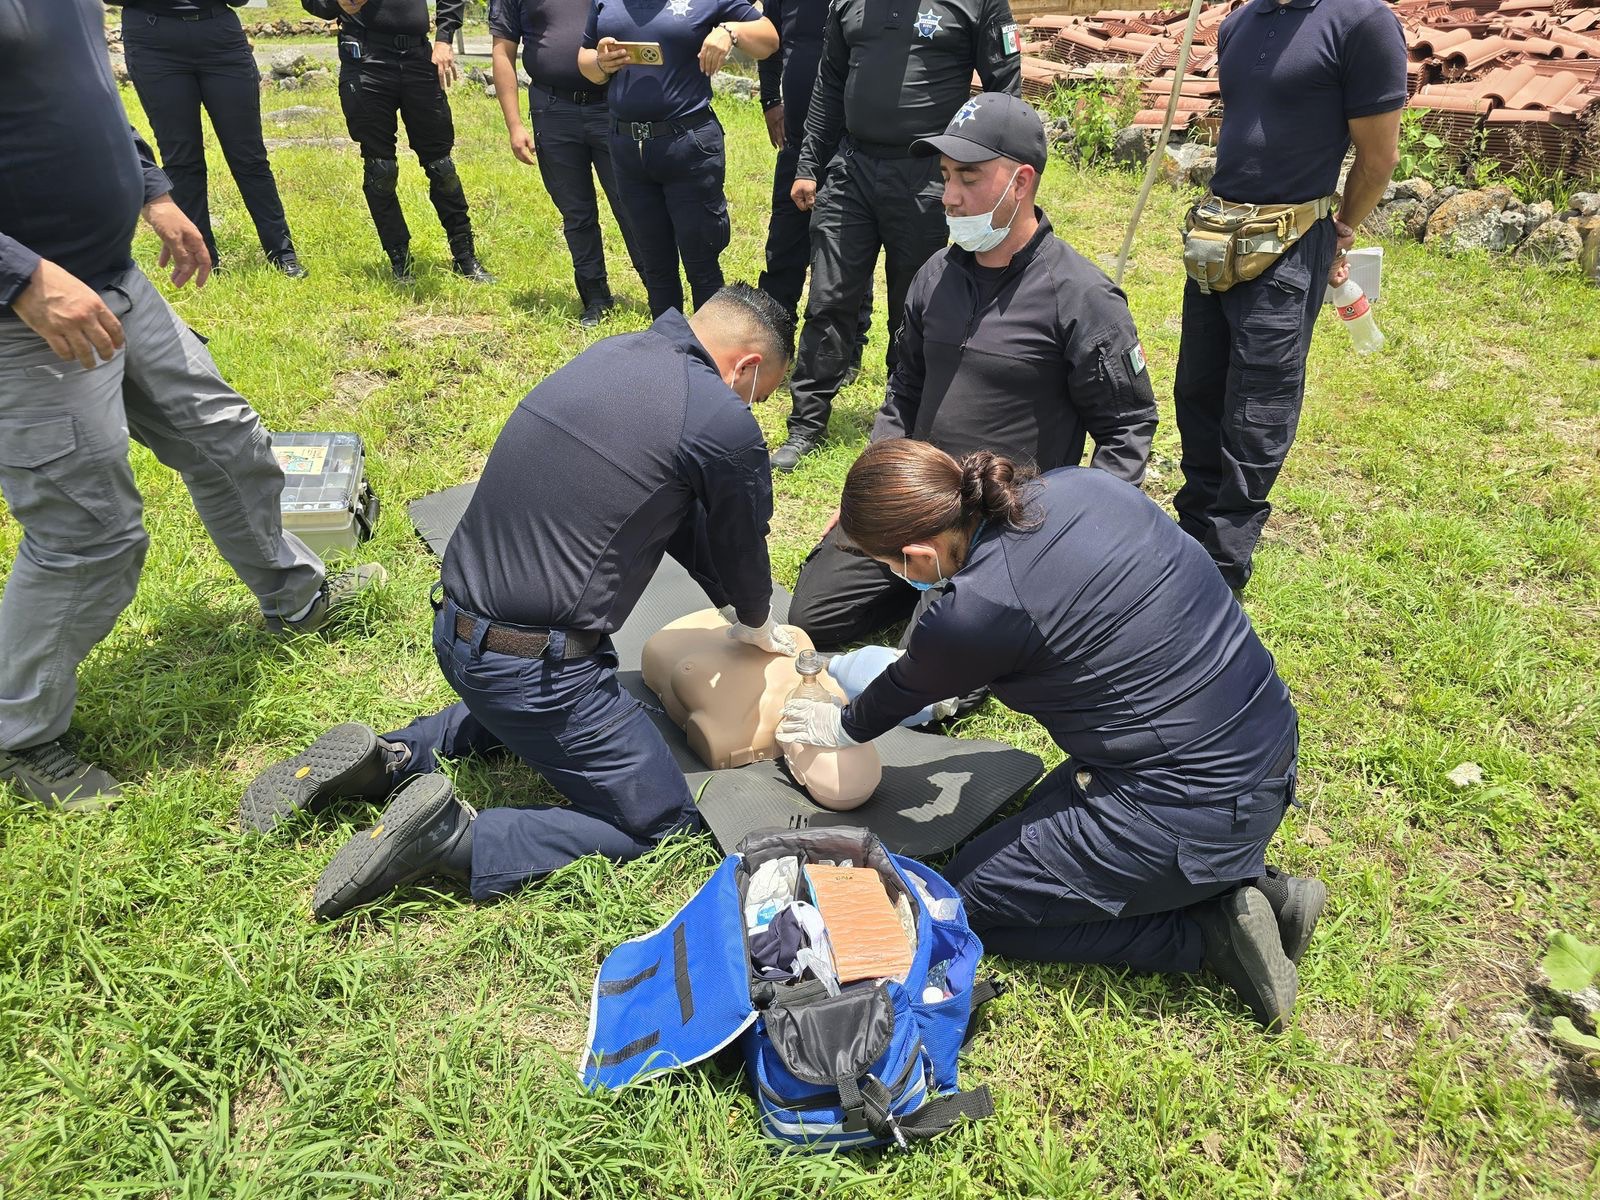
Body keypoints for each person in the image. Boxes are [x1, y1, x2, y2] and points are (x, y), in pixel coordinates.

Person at [240, 285, 798, 921]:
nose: (752, 406)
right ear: (748, 367)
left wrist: (732, 604)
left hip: (456, 631)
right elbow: (737, 540)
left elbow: (687, 525)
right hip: (537, 671)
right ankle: (458, 839)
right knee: (662, 821)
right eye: (761, 393)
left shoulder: (612, 354)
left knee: (523, 714)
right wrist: (755, 618)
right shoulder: (719, 419)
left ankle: (385, 761)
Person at [776, 440, 1326, 1030]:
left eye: (887, 565)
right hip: (1258, 741)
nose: (891, 577)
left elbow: (902, 688)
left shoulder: (974, 609)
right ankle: (1262, 893)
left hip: (1187, 801)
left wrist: (838, 725)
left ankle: (1203, 935)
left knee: (968, 903)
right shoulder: (1075, 487)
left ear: (918, 553)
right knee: (1034, 826)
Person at [0, 0, 384, 811]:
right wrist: (21, 276)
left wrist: (149, 186)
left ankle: (295, 594)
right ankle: (18, 738)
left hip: (110, 276)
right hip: (28, 316)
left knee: (226, 438)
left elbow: (85, 88)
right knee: (87, 532)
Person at [787, 92, 1157, 653]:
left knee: (933, 664)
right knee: (812, 618)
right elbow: (904, 388)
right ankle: (918, 582)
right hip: (919, 498)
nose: (950, 197)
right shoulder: (934, 275)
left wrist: (1074, 540)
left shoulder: (1081, 296)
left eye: (969, 177)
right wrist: (871, 493)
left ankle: (961, 602)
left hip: (1005, 519)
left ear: (1022, 181)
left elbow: (1128, 427)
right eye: (944, 176)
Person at [1172, 0, 1406, 593]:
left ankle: (1221, 571)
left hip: (1290, 241)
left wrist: (1339, 227)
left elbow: (1378, 160)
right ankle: (1189, 538)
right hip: (1216, 235)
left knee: (1258, 404)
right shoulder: (1238, 22)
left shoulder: (1362, 23)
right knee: (1197, 389)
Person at [768, 0, 1023, 473]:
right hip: (852, 168)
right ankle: (807, 422)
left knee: (916, 302)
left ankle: (902, 422)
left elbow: (1004, 92)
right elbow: (829, 85)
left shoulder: (978, 4)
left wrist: (984, 177)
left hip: (929, 174)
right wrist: (808, 165)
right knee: (829, 297)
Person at [577, 0, 778, 317]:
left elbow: (769, 38)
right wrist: (601, 63)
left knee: (701, 263)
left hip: (688, 145)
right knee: (655, 266)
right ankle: (667, 353)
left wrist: (730, 30)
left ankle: (707, 357)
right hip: (627, 147)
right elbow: (584, 58)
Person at [301, 0, 493, 282]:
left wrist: (444, 39)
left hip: (418, 56)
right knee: (381, 169)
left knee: (442, 167)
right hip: (365, 58)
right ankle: (399, 261)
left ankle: (464, 256)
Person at [114, 0, 307, 278]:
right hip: (152, 38)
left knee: (248, 156)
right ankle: (203, 259)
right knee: (181, 158)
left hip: (218, 33)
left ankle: (283, 254)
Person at [489, 0, 645, 325]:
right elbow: (502, 51)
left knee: (631, 204)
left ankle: (660, 293)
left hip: (612, 105)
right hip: (552, 107)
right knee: (577, 213)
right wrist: (514, 125)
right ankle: (596, 298)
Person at [754, 0, 871, 377]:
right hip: (798, 140)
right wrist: (771, 98)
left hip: (853, 144)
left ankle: (849, 347)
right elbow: (769, 38)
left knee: (847, 251)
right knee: (784, 244)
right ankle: (775, 337)